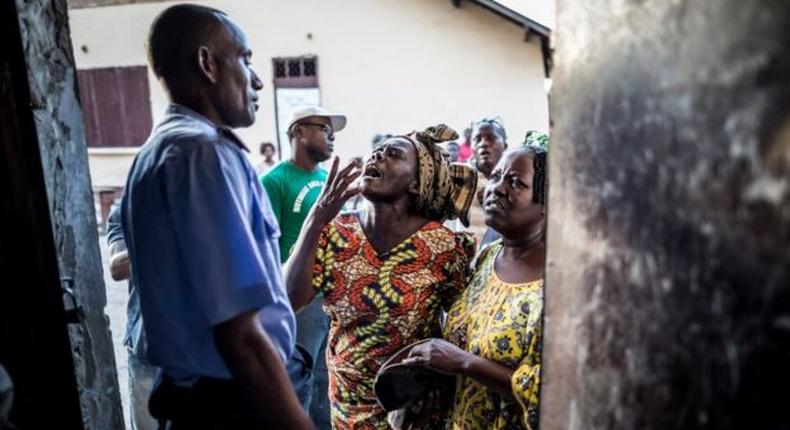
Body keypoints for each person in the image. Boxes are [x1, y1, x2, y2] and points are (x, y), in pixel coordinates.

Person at [121, 5, 313, 428]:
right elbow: (240, 334)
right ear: (207, 64)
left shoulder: (160, 150)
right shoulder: (202, 155)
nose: (258, 79)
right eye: (245, 60)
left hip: (204, 396)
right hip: (234, 403)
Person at [284, 124, 478, 429]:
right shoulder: (337, 232)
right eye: (377, 151)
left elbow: (461, 330)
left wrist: (440, 380)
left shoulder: (443, 247)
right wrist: (317, 217)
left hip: (413, 407)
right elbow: (289, 299)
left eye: (393, 154)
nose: (378, 156)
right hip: (346, 406)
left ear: (416, 183)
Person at [404, 141, 549, 430]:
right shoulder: (486, 258)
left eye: (515, 182)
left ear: (548, 203)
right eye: (495, 177)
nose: (497, 188)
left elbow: (547, 393)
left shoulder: (556, 287)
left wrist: (464, 363)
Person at [261, 105, 347, 427]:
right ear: (298, 131)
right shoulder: (274, 181)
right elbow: (266, 248)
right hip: (297, 300)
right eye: (324, 128)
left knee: (327, 378)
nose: (331, 137)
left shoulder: (327, 179)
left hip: (331, 297)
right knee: (298, 378)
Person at [106, 204, 157, 430]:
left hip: (195, 353)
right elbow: (117, 268)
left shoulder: (195, 203)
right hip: (145, 347)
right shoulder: (123, 211)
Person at [468, 117, 508, 249]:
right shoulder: (459, 180)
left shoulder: (515, 183)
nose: (483, 143)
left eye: (491, 138)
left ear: (505, 146)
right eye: (477, 139)